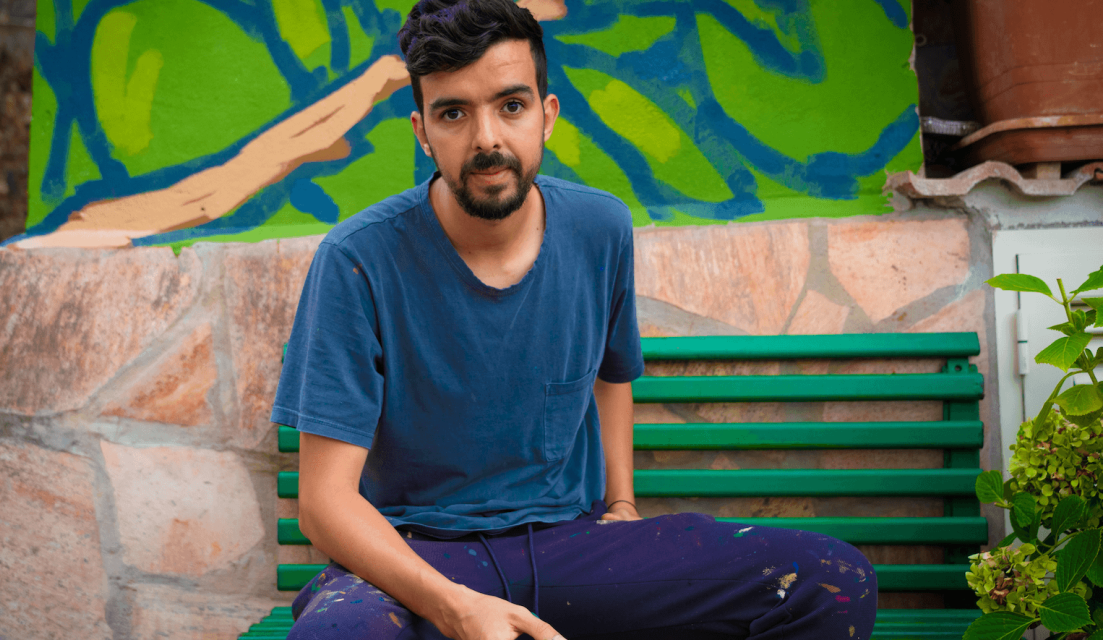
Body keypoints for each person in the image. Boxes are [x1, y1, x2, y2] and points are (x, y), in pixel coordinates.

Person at [271, 1, 877, 638]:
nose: (487, 140)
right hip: (420, 553)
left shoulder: (600, 227)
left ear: (546, 114)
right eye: (454, 113)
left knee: (830, 579)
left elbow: (612, 373)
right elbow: (324, 502)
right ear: (423, 132)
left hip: (575, 548)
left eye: (511, 105)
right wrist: (456, 606)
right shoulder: (357, 261)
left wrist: (622, 504)